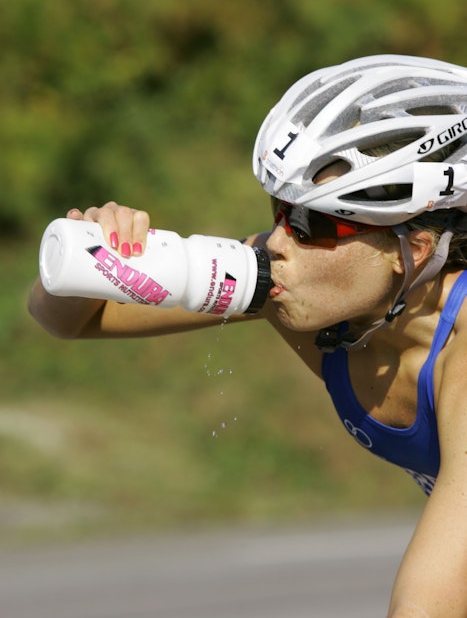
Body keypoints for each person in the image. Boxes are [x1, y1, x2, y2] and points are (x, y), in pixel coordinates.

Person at [29, 54, 467, 617]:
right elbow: (68, 319)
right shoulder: (287, 280)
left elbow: (424, 608)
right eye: (281, 210)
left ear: (414, 250)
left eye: (313, 224)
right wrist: (93, 252)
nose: (278, 242)